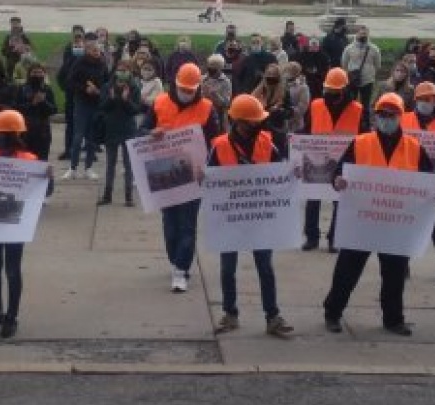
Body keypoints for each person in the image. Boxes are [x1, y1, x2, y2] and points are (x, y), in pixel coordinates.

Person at [324, 92, 435, 337]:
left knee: (395, 273)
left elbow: (429, 181)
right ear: (375, 117)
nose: (386, 119)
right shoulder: (360, 142)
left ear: (400, 117)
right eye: (382, 115)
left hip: (395, 224)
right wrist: (338, 181)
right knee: (347, 270)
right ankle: (333, 312)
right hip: (362, 221)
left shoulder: (414, 147)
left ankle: (393, 319)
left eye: (391, 115)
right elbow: (337, 174)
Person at [209, 94, 294, 338]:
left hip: (258, 218)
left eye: (258, 122)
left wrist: (292, 174)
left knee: (265, 267)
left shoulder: (267, 143)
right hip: (231, 218)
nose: (257, 126)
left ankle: (272, 316)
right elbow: (209, 178)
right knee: (228, 269)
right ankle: (230, 314)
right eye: (252, 122)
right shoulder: (220, 146)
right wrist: (202, 178)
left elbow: (280, 173)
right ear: (237, 122)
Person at [143, 63, 220, 292]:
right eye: (183, 89)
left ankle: (181, 269)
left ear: (197, 87)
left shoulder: (207, 108)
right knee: (170, 224)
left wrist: (209, 168)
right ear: (175, 84)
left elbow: (215, 142)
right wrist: (150, 133)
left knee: (187, 225)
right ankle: (176, 259)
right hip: (165, 175)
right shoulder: (160, 103)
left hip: (193, 175)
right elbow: (141, 131)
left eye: (191, 89)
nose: (187, 93)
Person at [0, 110, 51, 339]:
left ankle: (11, 316)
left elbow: (45, 191)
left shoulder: (28, 160)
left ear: (9, 137)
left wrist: (48, 176)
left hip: (14, 224)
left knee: (11, 270)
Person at [302, 68, 365, 252]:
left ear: (344, 90)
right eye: (328, 90)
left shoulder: (357, 109)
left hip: (344, 161)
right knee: (313, 199)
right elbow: (307, 130)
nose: (331, 94)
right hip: (316, 160)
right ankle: (311, 237)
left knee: (340, 201)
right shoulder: (316, 105)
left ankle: (334, 238)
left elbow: (363, 135)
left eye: (335, 91)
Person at [400, 82, 435, 282]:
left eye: (428, 99)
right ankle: (403, 264)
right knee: (405, 224)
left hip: (433, 180)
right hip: (408, 179)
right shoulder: (405, 119)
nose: (424, 102)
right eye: (421, 99)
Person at [63, 33, 109, 180]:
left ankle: (88, 168)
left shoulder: (102, 64)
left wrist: (98, 90)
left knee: (91, 138)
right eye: (93, 50)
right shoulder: (80, 63)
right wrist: (84, 88)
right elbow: (70, 82)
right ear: (87, 50)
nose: (97, 52)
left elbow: (107, 83)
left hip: (96, 104)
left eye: (98, 50)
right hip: (81, 103)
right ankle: (73, 167)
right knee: (78, 136)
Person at [97, 60, 140, 207]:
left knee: (129, 164)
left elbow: (135, 110)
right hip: (111, 128)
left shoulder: (134, 87)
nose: (121, 73)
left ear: (130, 72)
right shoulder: (107, 87)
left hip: (128, 128)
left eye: (125, 70)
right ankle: (107, 194)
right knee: (110, 163)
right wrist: (112, 98)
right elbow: (102, 106)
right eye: (119, 70)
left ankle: (129, 196)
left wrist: (125, 100)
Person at [16, 63, 57, 197]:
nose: (37, 75)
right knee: (25, 160)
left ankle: (45, 191)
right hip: (26, 130)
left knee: (42, 160)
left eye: (40, 73)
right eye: (34, 72)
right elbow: (17, 107)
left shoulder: (47, 90)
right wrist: (32, 104)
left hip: (42, 131)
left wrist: (42, 102)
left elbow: (53, 109)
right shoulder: (22, 89)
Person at [341, 26, 382, 125]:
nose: (363, 35)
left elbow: (378, 65)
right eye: (361, 33)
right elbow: (344, 63)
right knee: (351, 102)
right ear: (357, 34)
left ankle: (365, 124)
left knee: (366, 104)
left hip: (368, 80)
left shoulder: (374, 49)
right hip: (352, 79)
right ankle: (351, 121)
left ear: (368, 34)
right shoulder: (349, 48)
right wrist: (349, 75)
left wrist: (370, 73)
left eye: (365, 33)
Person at [252, 63, 292, 156]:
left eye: (274, 76)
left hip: (277, 130)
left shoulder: (284, 91)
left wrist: (279, 111)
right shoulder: (259, 89)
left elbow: (290, 112)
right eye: (268, 76)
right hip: (259, 129)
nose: (271, 79)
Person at [56, 30, 84, 161]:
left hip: (84, 98)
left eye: (80, 44)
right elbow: (60, 77)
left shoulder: (87, 60)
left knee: (86, 125)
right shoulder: (69, 60)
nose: (78, 46)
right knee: (71, 124)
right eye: (76, 45)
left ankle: (88, 151)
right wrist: (66, 88)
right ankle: (69, 149)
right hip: (71, 96)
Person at [292, 35, 330, 100]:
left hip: (319, 82)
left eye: (315, 45)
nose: (314, 47)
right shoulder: (303, 55)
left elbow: (326, 69)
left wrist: (318, 72)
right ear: (309, 46)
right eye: (312, 45)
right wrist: (306, 71)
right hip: (306, 81)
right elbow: (299, 67)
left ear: (318, 46)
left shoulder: (324, 56)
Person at [202, 54, 232, 132]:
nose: (211, 69)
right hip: (203, 114)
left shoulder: (226, 82)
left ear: (220, 68)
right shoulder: (202, 79)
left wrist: (215, 94)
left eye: (214, 67)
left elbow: (226, 103)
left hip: (219, 116)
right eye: (210, 66)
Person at [284, 62, 310, 134]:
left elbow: (303, 106)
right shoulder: (282, 84)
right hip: (282, 125)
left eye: (290, 70)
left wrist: (291, 112)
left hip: (296, 125)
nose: (287, 73)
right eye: (287, 70)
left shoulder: (303, 87)